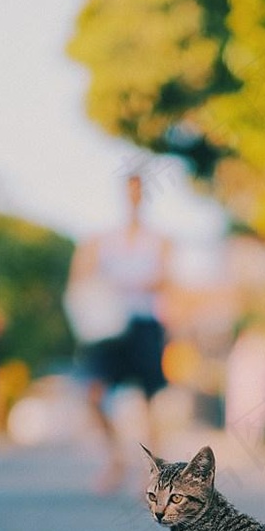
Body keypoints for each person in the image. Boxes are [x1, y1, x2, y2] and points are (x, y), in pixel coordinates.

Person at [66, 174, 170, 492]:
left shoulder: (159, 240)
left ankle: (153, 473)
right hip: (107, 328)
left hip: (143, 324)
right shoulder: (102, 239)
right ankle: (115, 457)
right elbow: (79, 280)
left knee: (149, 401)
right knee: (92, 392)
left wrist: (125, 284)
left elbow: (165, 279)